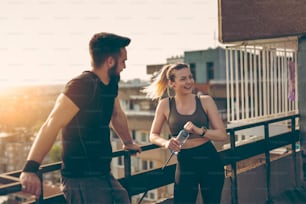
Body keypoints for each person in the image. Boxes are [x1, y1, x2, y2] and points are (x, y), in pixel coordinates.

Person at [19, 32, 142, 204]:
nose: (125, 66)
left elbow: (117, 114)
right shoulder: (81, 85)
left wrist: (128, 142)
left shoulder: (110, 84)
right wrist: (30, 168)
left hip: (103, 173)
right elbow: (51, 124)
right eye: (123, 61)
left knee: (123, 199)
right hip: (81, 179)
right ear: (110, 61)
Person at [144, 63, 227, 204]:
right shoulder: (165, 104)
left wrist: (200, 131)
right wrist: (166, 142)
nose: (189, 82)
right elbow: (153, 135)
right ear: (172, 83)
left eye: (190, 77)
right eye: (183, 79)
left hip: (209, 160)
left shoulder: (205, 101)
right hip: (185, 162)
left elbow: (222, 135)